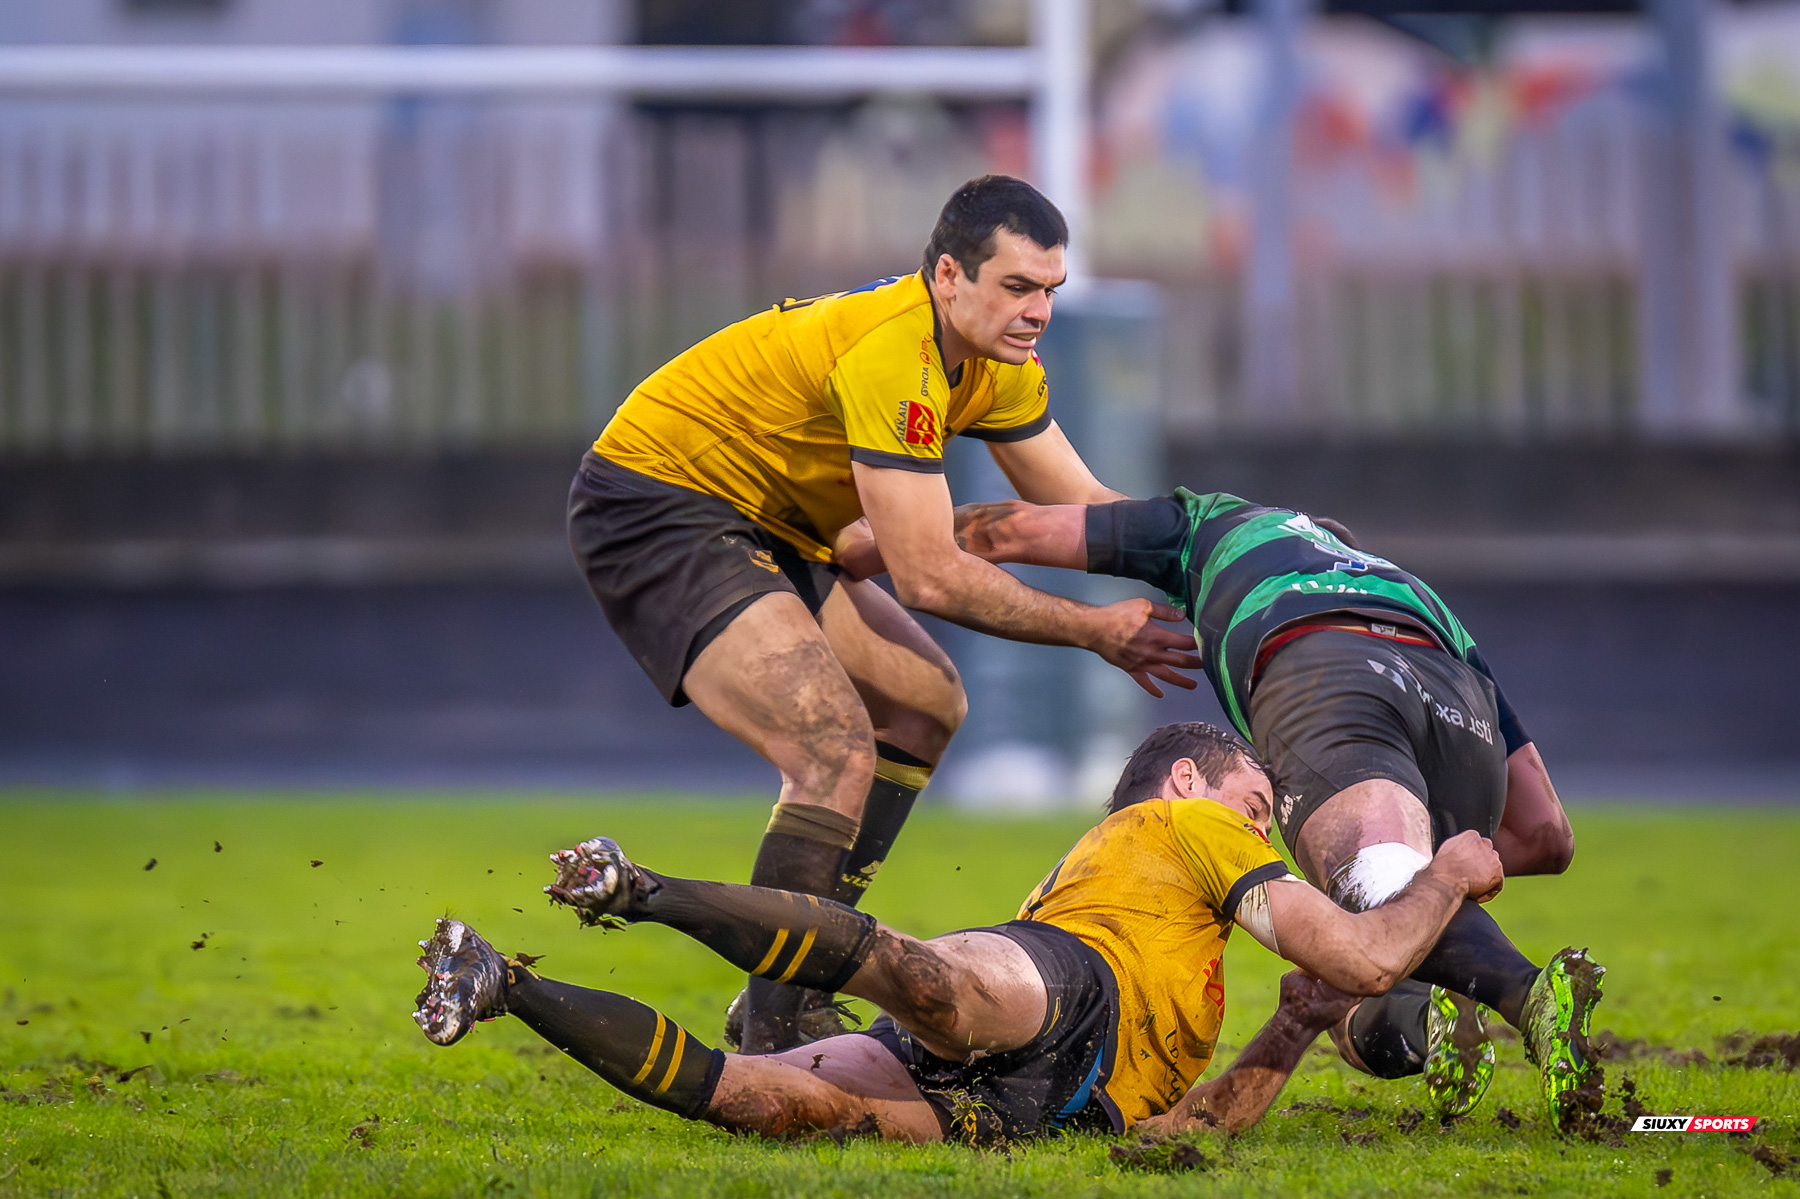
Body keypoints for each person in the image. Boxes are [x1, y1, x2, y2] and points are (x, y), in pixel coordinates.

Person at [567, 175, 1199, 1054]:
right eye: (1017, 287)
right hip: (661, 505)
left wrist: (1220, 549)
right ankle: (777, 1040)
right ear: (949, 274)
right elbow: (930, 577)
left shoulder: (995, 365)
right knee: (831, 744)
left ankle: (784, 992)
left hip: (773, 523)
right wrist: (1095, 629)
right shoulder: (893, 353)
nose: (1038, 312)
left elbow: (1087, 506)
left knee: (925, 704)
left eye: (1050, 291)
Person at [411, 722, 1505, 1144]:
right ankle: (638, 888)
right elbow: (1365, 955)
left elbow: (1191, 1133)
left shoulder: (1195, 952)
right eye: (1257, 803)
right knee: (928, 981)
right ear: (1186, 781)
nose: (1265, 827)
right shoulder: (1177, 826)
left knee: (765, 1101)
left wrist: (1296, 1029)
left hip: (1051, 1106)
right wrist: (1448, 870)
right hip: (1071, 985)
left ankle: (506, 984)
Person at [907, 489, 1603, 1126]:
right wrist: (1436, 889)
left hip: (1321, 667)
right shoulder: (1414, 590)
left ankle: (1525, 996)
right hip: (1460, 703)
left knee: (1366, 892)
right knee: (1383, 916)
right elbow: (1547, 835)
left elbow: (1003, 530)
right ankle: (1444, 987)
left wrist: (868, 534)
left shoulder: (1206, 524)